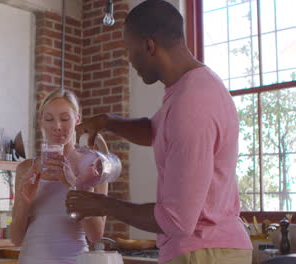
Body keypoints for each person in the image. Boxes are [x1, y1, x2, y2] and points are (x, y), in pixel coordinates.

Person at [65, 1, 253, 263]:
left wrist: (102, 205)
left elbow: (177, 220)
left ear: (149, 46)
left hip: (204, 252)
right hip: (210, 248)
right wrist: (107, 121)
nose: (130, 61)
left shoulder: (191, 104)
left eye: (130, 51)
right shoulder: (196, 86)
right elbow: (155, 131)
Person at [10, 89, 109, 264]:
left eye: (64, 119)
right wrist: (24, 202)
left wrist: (73, 186)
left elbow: (95, 235)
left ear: (77, 120)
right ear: (41, 122)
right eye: (49, 119)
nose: (57, 126)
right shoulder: (26, 169)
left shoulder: (93, 166)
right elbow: (16, 238)